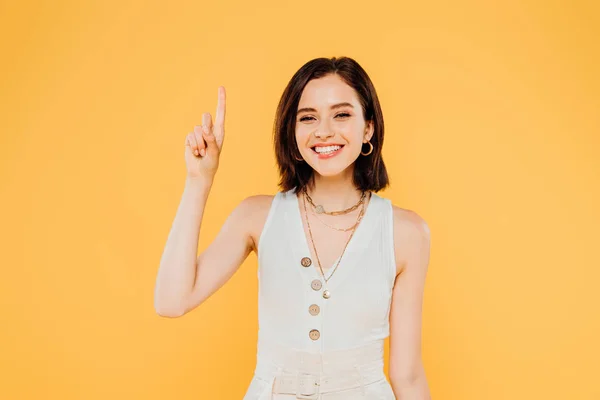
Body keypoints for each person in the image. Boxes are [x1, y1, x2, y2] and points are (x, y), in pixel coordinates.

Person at [154, 56, 432, 399]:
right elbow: (171, 301)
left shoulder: (406, 233)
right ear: (293, 131)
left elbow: (407, 376)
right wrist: (199, 181)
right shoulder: (256, 216)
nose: (324, 130)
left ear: (368, 128)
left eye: (342, 114)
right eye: (308, 117)